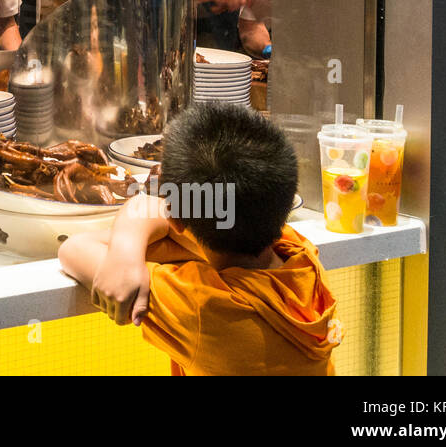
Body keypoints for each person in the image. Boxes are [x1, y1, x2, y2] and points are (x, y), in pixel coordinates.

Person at [59, 102, 340, 376]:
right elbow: (209, 223)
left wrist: (126, 253)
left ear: (177, 218)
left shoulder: (204, 307)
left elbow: (74, 249)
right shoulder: (301, 256)